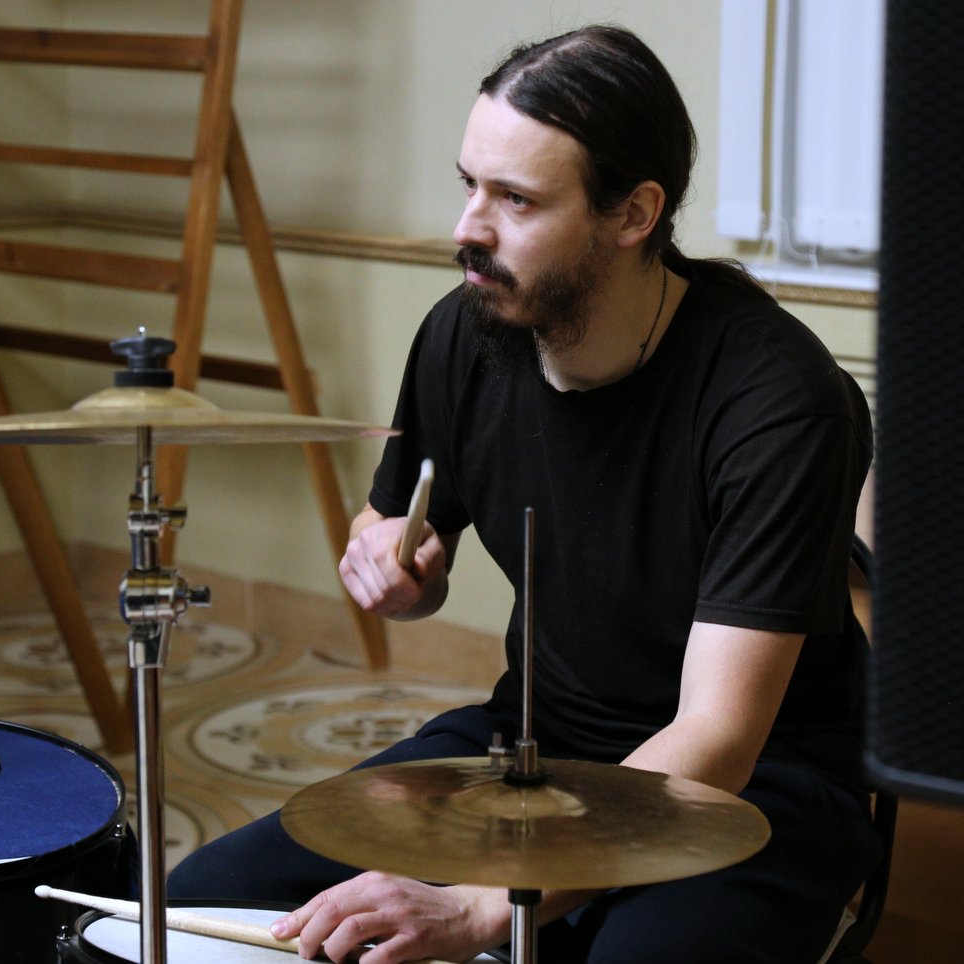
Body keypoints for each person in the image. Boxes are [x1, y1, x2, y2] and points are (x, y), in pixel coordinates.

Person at [169, 24, 881, 963]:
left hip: (749, 788)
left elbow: (717, 738)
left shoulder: (777, 399)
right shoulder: (467, 333)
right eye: (469, 184)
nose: (468, 228)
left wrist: (480, 906)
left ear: (634, 214)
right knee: (201, 902)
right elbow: (395, 529)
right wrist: (393, 565)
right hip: (533, 746)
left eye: (516, 199)